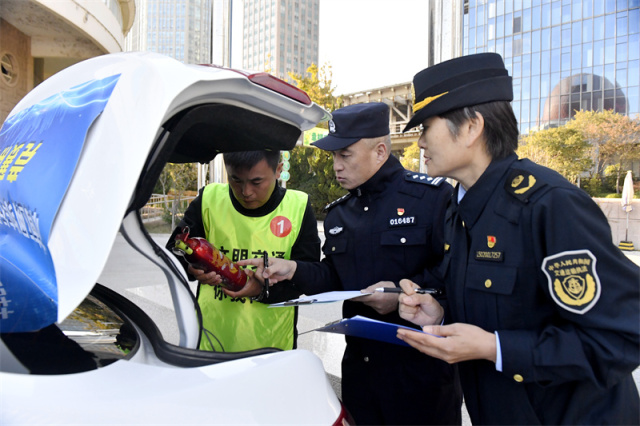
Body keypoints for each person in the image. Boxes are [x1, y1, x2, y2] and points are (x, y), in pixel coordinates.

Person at [396, 52, 640, 425]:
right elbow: (504, 311)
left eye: (426, 127)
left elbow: (619, 337)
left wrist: (495, 348)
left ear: (471, 127)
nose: (419, 143)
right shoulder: (459, 209)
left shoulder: (549, 205)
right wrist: (441, 314)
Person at [238, 103, 462, 425]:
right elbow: (335, 276)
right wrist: (294, 269)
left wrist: (400, 294)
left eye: (345, 155)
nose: (336, 166)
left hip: (420, 375)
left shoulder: (431, 199)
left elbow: (455, 272)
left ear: (380, 151)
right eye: (333, 156)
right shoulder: (340, 214)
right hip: (362, 374)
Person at [166, 150, 320, 352]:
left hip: (272, 346)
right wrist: (191, 268)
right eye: (235, 180)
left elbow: (310, 275)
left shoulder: (297, 207)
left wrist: (261, 290)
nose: (246, 191)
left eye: (256, 182)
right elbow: (172, 253)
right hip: (210, 341)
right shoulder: (209, 200)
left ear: (278, 170)